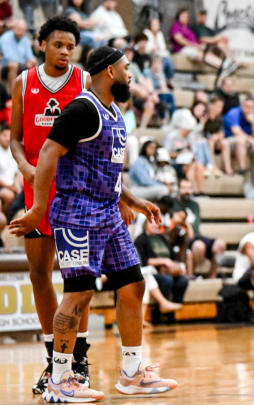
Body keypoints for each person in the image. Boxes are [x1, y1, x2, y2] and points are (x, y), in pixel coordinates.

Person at [10, 46, 177, 402]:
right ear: (110, 72)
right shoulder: (82, 109)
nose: (132, 74)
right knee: (79, 293)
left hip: (109, 213)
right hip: (76, 213)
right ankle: (59, 378)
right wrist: (39, 208)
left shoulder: (115, 111)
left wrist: (132, 201)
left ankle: (132, 373)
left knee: (133, 285)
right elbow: (48, 155)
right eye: (127, 68)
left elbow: (109, 170)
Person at [8, 16, 93, 395]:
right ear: (42, 44)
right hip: (36, 188)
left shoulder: (84, 82)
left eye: (70, 47)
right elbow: (14, 139)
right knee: (39, 272)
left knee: (78, 279)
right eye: (58, 44)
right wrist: (25, 167)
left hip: (74, 190)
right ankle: (52, 359)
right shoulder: (23, 83)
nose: (64, 52)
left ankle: (79, 360)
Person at [174, 179, 227, 279]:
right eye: (184, 188)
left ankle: (212, 278)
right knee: (199, 246)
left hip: (197, 235)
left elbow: (196, 226)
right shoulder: (174, 204)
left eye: (189, 188)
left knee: (220, 244)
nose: (187, 191)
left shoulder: (195, 205)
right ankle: (191, 275)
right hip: (183, 238)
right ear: (178, 189)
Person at [134, 217, 189, 304]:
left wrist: (179, 267)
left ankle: (176, 308)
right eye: (152, 222)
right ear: (146, 224)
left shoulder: (162, 238)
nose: (155, 224)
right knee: (167, 280)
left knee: (183, 281)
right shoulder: (141, 239)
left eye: (156, 222)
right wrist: (163, 261)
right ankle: (161, 312)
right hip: (154, 272)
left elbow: (173, 257)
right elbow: (144, 261)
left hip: (169, 270)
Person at [0, 19, 38, 87]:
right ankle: (13, 94)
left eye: (23, 30)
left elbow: (30, 55)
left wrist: (31, 61)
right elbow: (8, 57)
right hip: (5, 65)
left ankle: (33, 90)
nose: (20, 32)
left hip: (21, 64)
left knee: (34, 62)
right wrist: (25, 62)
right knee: (14, 65)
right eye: (19, 30)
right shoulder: (5, 38)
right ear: (14, 28)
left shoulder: (25, 39)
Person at [143, 17, 174, 82]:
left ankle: (169, 80)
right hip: (150, 54)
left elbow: (163, 47)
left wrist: (158, 48)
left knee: (168, 61)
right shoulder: (146, 33)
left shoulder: (160, 34)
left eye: (157, 24)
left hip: (161, 54)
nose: (156, 26)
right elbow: (148, 47)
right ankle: (161, 80)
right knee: (162, 61)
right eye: (154, 24)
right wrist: (156, 48)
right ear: (150, 25)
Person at [0, 123, 20, 217]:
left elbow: (15, 173)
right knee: (9, 196)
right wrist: (10, 187)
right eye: (4, 135)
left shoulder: (12, 151)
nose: (7, 138)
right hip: (3, 186)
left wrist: (17, 186)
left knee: (22, 192)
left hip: (12, 184)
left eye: (9, 135)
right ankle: (6, 217)